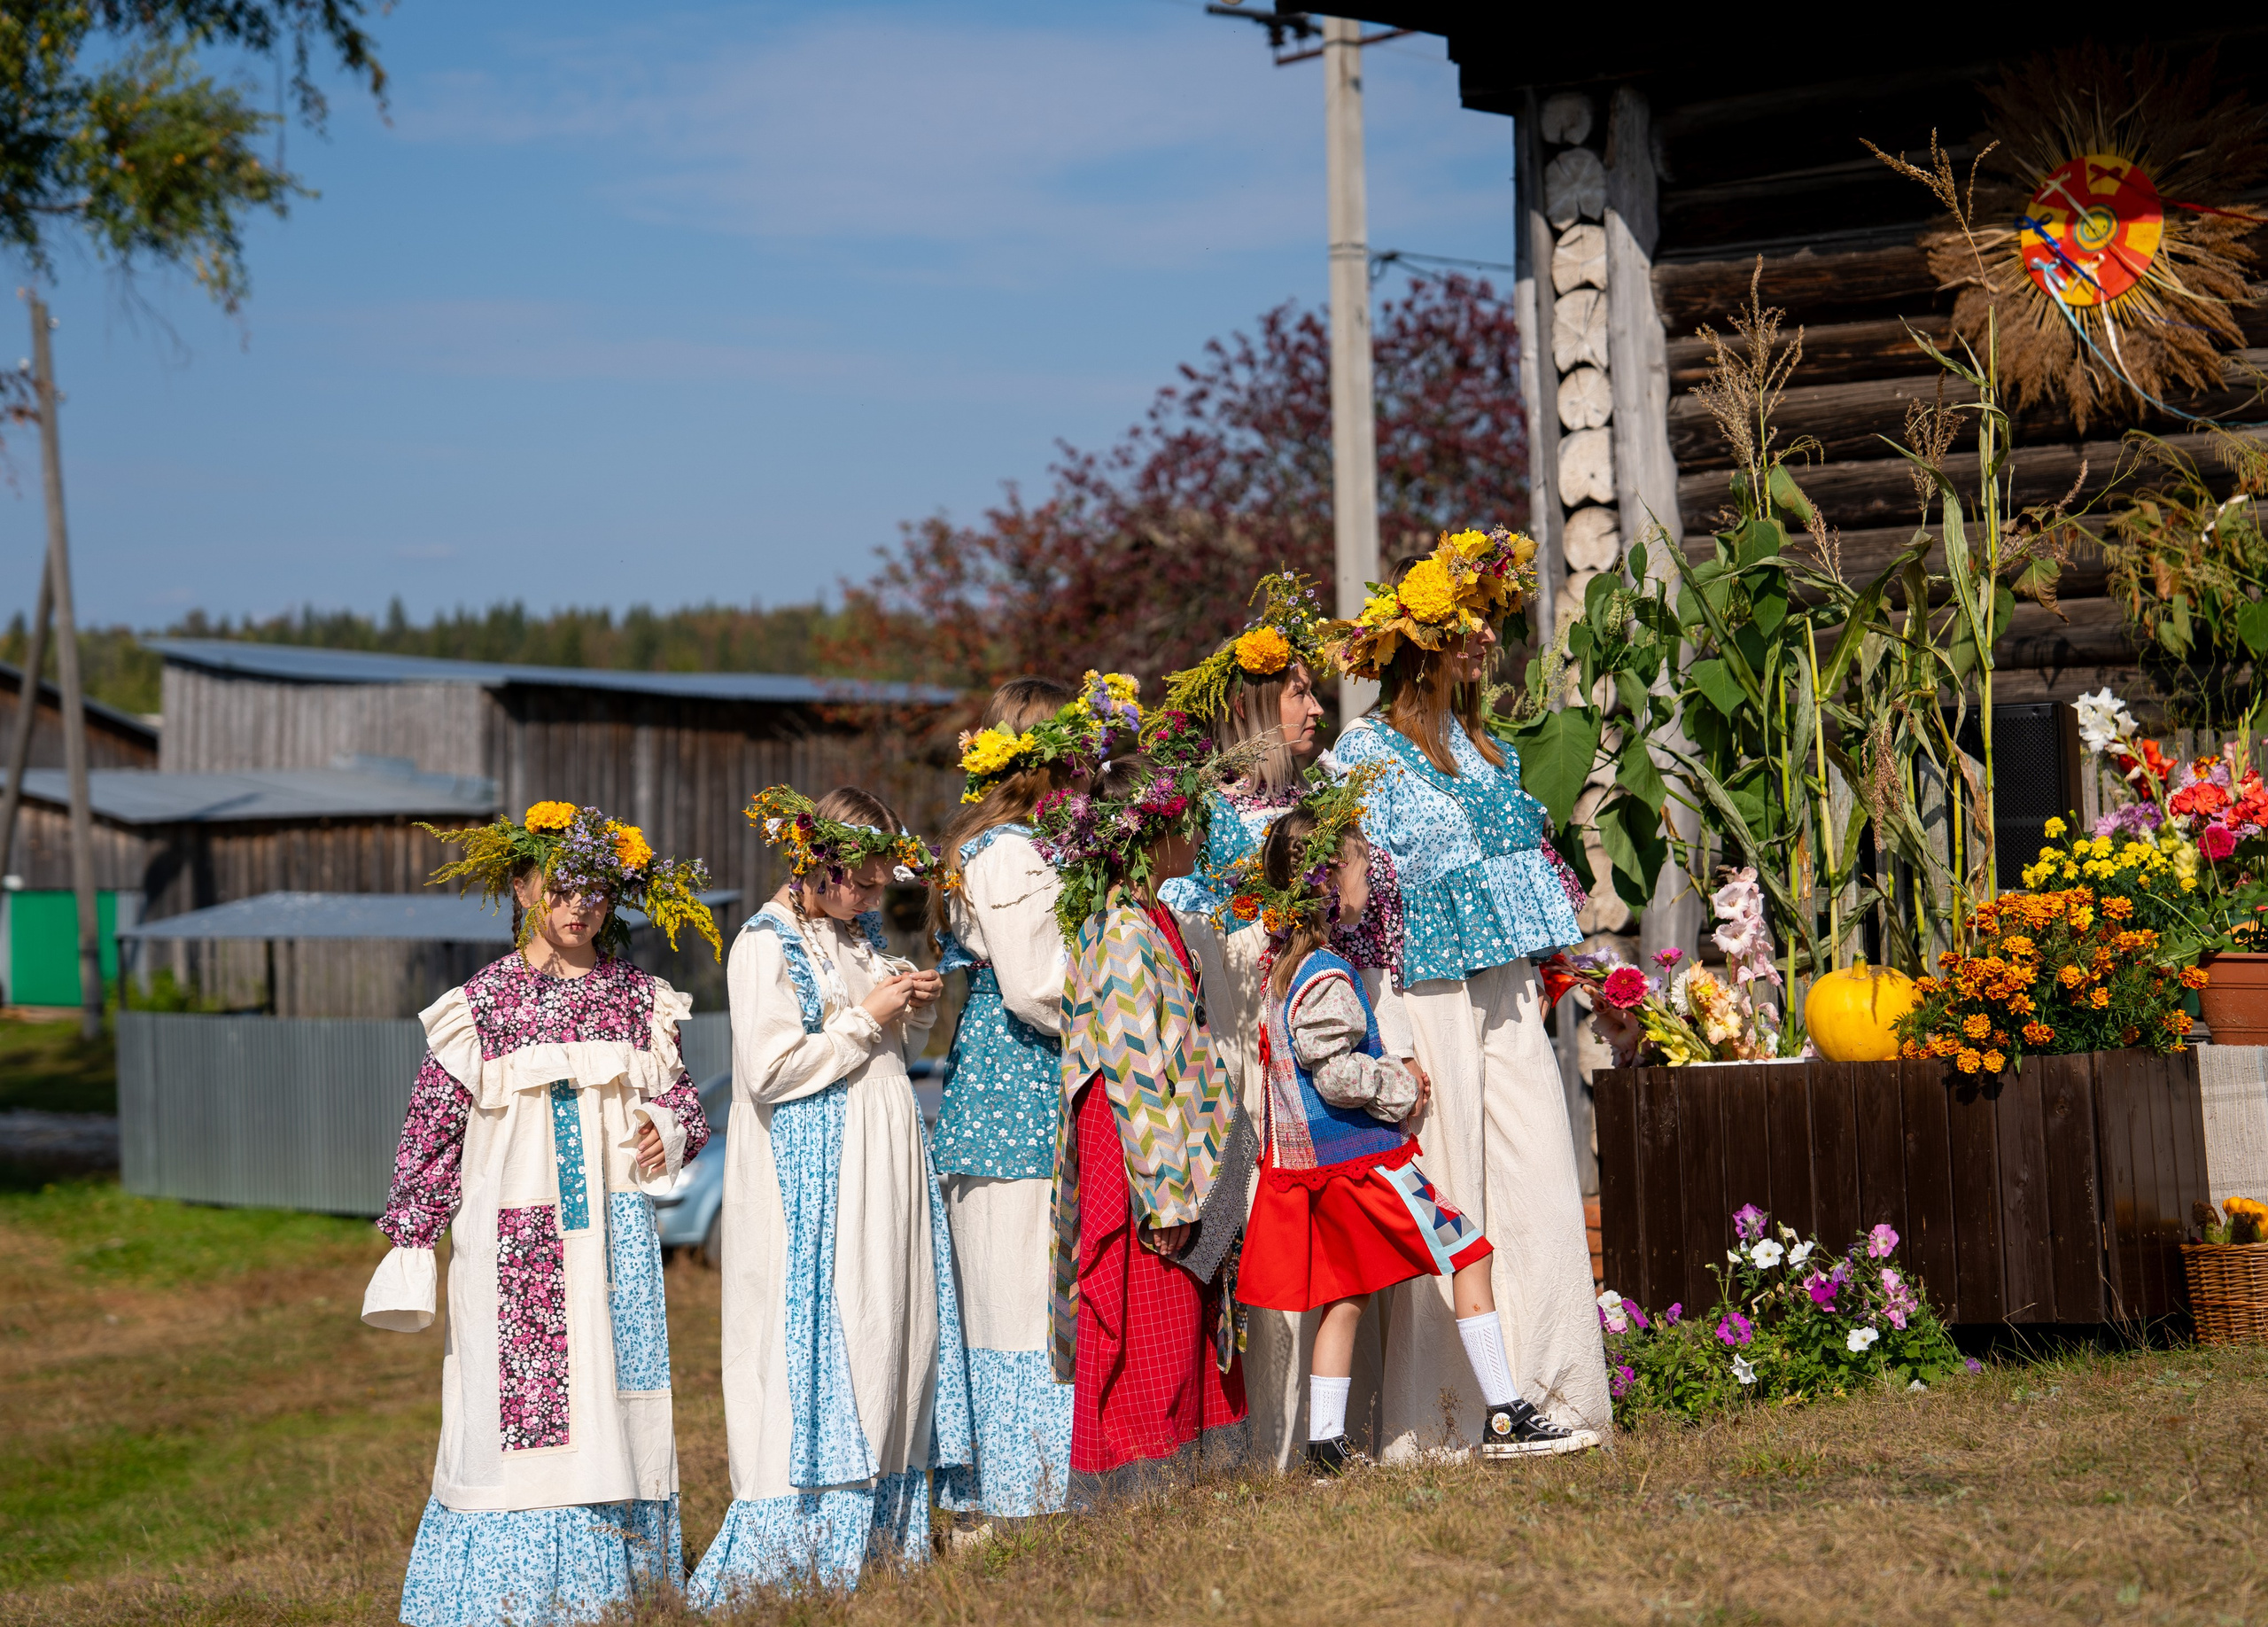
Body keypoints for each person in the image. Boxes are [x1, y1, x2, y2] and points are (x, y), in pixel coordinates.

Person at [361, 801, 723, 1627]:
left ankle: (618, 1592)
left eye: (595, 892)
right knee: (519, 1419)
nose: (577, 908)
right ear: (524, 887)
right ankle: (501, 1598)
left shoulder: (638, 998)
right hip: (513, 1240)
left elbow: (685, 1106)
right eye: (560, 889)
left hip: (618, 1241)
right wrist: (414, 1236)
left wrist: (666, 1129)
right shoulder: (481, 1006)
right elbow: (431, 1129)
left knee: (614, 1399)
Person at [1325, 527, 1610, 1460]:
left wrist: (1572, 960)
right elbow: (1347, 896)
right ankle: (1441, 1422)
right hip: (1420, 991)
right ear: (1425, 643)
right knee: (1447, 1187)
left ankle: (1545, 1391)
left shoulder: (1488, 749)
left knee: (1531, 1177)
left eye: (1491, 623)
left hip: (1503, 991)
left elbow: (1520, 871)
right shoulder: (1359, 753)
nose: (1490, 639)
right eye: (1473, 625)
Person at [1229, 779, 1601, 1472]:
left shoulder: (1282, 968)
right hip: (1369, 1167)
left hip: (1320, 1172)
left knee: (1343, 1298)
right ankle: (1505, 1414)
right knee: (1470, 1254)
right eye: (1364, 867)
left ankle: (1327, 1447)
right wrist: (1401, 1087)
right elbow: (1335, 1072)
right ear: (1331, 883)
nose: (1372, 877)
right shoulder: (1327, 974)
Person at [686, 786, 969, 1600]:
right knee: (845, 1325)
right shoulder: (763, 945)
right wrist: (865, 1015)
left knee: (893, 1324)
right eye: (866, 875)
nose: (877, 891)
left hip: (884, 1157)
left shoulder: (858, 934)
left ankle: (885, 1539)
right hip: (819, 1172)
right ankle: (805, 1550)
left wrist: (907, 1003)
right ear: (820, 860)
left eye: (884, 877)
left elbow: (887, 1037)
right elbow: (771, 1069)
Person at [1156, 568, 1402, 1467]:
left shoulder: (1327, 805)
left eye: (1313, 690)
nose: (1313, 708)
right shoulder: (1214, 815)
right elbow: (1203, 936)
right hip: (1253, 1059)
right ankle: (1270, 1438)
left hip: (1329, 1036)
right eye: (1297, 690)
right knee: (1270, 1240)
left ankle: (1343, 1423)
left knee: (1342, 1232)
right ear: (1255, 705)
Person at [929, 673, 1140, 1522]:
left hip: (1038, 1082)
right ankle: (1028, 1491)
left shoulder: (1038, 846)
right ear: (1039, 757)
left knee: (1045, 1283)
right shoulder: (1010, 851)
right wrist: (1127, 1012)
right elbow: (1033, 985)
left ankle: (1057, 1480)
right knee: (1016, 1289)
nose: (1094, 766)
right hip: (1014, 1088)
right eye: (1078, 750)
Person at [1036, 712, 1249, 1505]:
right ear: (1152, 836)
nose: (1197, 838)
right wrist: (1163, 1192)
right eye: (1185, 825)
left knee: (1184, 1304)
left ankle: (1191, 1472)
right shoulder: (1121, 932)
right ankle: (1139, 1482)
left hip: (1174, 1142)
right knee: (1146, 1306)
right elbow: (1131, 1068)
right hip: (1140, 1149)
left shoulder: (1155, 920)